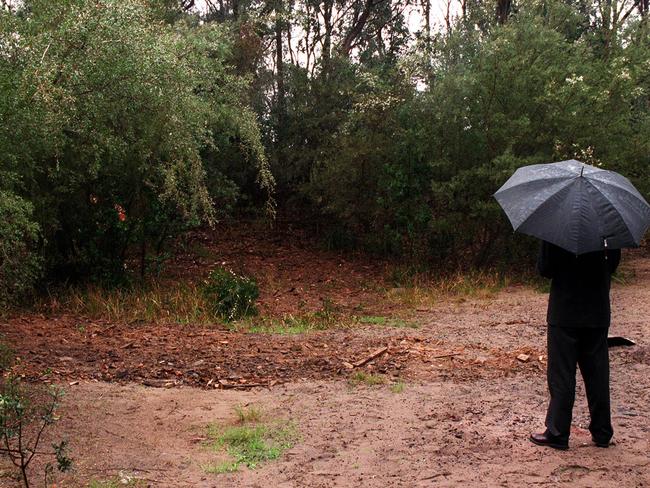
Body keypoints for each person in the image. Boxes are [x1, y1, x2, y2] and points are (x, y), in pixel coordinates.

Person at [530, 240, 621, 450]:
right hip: (597, 309)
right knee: (598, 373)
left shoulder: (557, 226)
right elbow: (613, 264)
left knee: (561, 374)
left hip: (565, 311)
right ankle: (602, 432)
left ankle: (557, 432)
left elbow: (545, 269)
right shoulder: (607, 224)